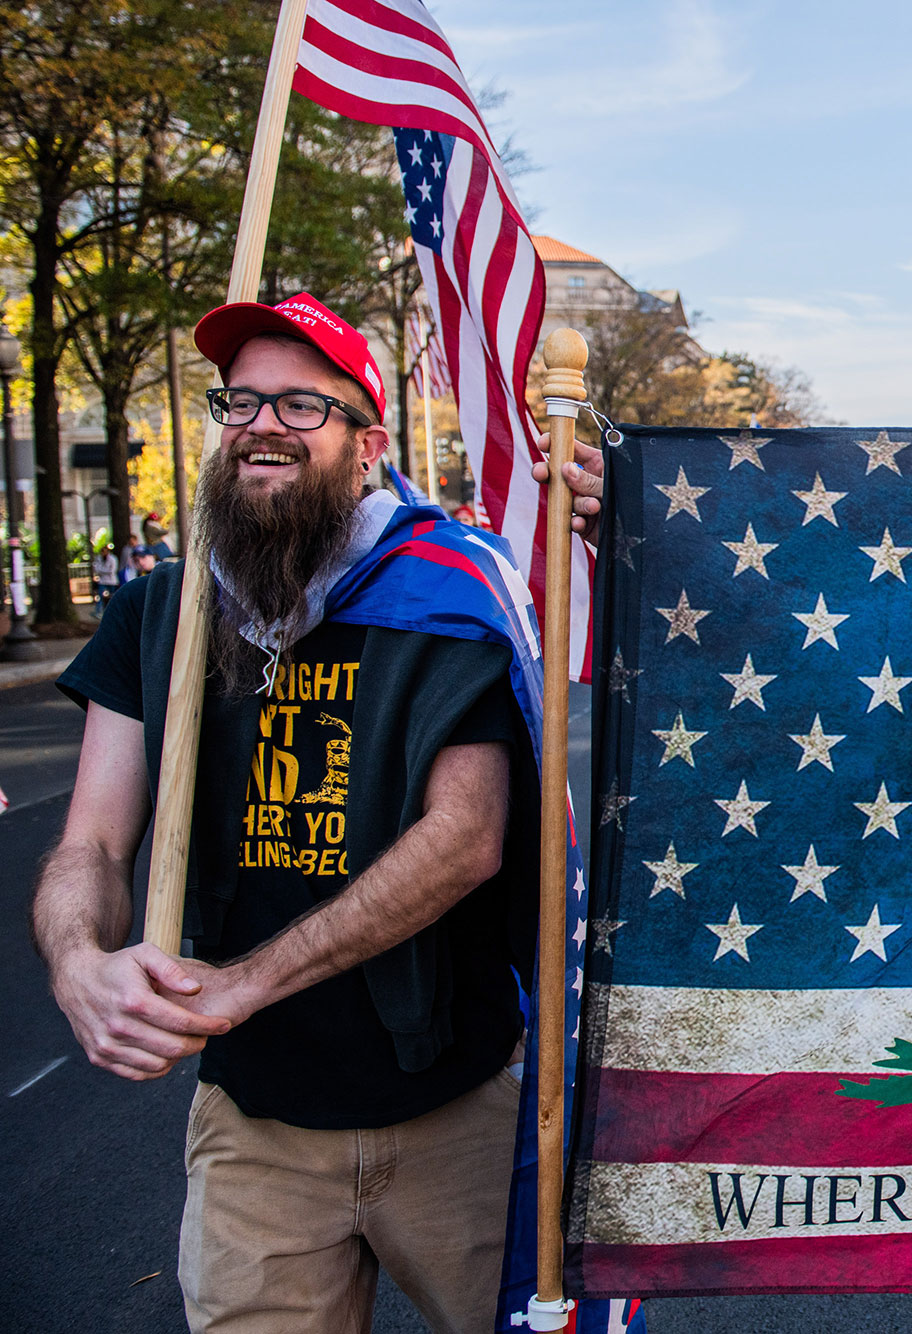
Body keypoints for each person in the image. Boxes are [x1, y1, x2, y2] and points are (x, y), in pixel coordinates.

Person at [31, 291, 603, 1332]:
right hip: (255, 1124)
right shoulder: (160, 611)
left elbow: (465, 839)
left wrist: (241, 983)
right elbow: (92, 839)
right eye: (240, 402)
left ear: (368, 441)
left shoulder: (443, 593)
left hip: (459, 1105)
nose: (261, 424)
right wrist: (80, 964)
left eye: (302, 404)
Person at [91, 542, 119, 612]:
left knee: (112, 597)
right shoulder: (99, 558)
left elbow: (112, 571)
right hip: (102, 580)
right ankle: (98, 611)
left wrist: (102, 570)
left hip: (111, 581)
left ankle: (112, 610)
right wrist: (104, 570)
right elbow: (96, 569)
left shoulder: (113, 559)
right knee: (100, 596)